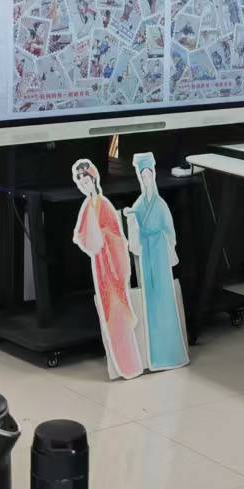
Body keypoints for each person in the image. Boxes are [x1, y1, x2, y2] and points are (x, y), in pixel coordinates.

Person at [71, 159, 143, 379]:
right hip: (100, 267)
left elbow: (117, 238)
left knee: (119, 315)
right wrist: (92, 239)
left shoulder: (104, 205)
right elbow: (80, 236)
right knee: (111, 319)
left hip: (112, 269)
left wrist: (102, 236)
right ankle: (123, 364)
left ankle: (131, 364)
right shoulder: (87, 207)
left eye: (86, 181)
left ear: (94, 180)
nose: (84, 185)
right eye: (80, 182)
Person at [124, 152, 189, 372]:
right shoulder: (140, 204)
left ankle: (171, 350)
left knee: (165, 297)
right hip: (148, 254)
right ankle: (156, 353)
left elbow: (170, 230)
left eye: (149, 175)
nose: (147, 180)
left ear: (153, 176)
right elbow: (135, 230)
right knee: (150, 299)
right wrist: (131, 219)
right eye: (143, 176)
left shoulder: (160, 204)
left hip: (160, 251)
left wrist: (167, 245)